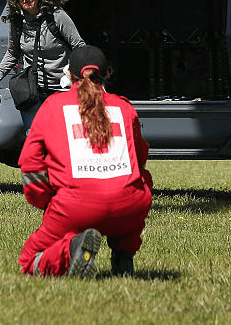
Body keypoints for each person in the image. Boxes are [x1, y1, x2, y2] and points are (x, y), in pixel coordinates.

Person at [18, 46, 153, 278]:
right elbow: (139, 161)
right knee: (142, 181)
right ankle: (124, 257)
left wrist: (45, 201)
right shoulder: (125, 108)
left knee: (29, 261)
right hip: (128, 211)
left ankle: (71, 249)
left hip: (73, 209)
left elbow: (31, 163)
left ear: (69, 75)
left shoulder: (52, 106)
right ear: (107, 74)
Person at [0, 0, 85, 132]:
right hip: (32, 91)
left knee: (59, 137)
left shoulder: (56, 17)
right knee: (34, 137)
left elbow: (79, 46)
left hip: (61, 90)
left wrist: (77, 73)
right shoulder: (17, 21)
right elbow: (12, 53)